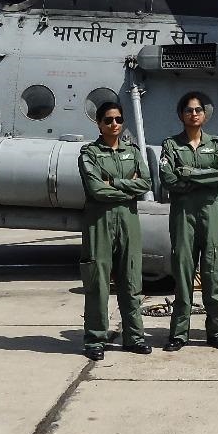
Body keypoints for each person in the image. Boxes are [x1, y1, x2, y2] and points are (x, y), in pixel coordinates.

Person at [77, 101, 153, 361]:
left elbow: (145, 183)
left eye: (118, 119)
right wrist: (126, 186)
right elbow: (96, 189)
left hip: (128, 222)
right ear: (99, 123)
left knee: (131, 281)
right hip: (99, 223)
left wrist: (114, 183)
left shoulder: (132, 152)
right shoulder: (89, 153)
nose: (114, 124)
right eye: (108, 120)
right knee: (98, 282)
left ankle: (135, 337)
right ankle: (95, 339)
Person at [158, 91, 218, 351]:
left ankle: (215, 332)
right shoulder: (170, 145)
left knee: (214, 274)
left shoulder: (217, 144)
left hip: (212, 214)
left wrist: (188, 174)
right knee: (183, 273)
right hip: (183, 215)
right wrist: (202, 178)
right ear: (181, 115)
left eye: (198, 110)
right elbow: (168, 179)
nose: (194, 114)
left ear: (204, 114)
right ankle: (179, 334)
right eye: (188, 110)